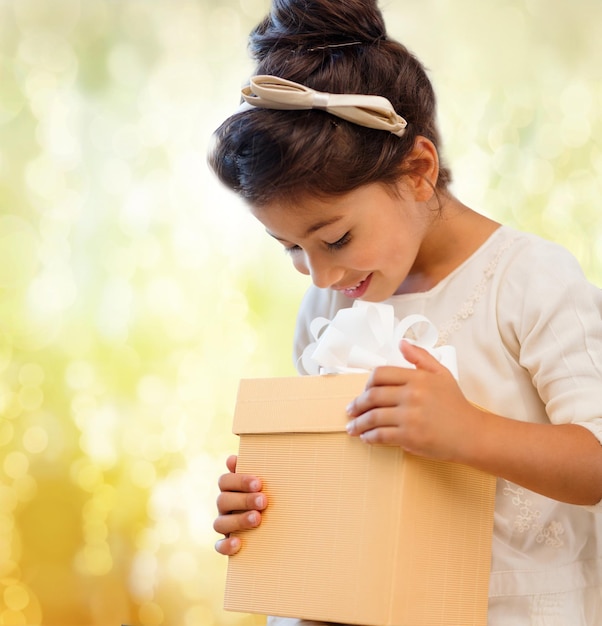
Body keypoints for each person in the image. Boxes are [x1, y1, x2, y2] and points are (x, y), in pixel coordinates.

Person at [208, 0, 602, 624]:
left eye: (334, 238)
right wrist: (269, 503)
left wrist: (470, 432)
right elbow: (347, 477)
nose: (320, 273)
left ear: (419, 171)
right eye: (290, 248)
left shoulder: (529, 281)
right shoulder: (328, 305)